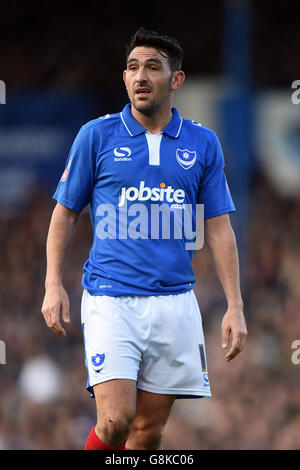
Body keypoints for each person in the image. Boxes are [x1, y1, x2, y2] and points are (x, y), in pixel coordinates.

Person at [41, 27, 247, 450]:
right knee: (116, 422)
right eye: (133, 67)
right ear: (124, 78)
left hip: (175, 303)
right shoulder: (96, 136)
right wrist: (52, 283)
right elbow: (65, 214)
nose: (140, 76)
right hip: (110, 298)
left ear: (176, 80)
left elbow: (219, 227)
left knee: (148, 432)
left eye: (153, 67)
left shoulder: (203, 143)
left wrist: (235, 305)